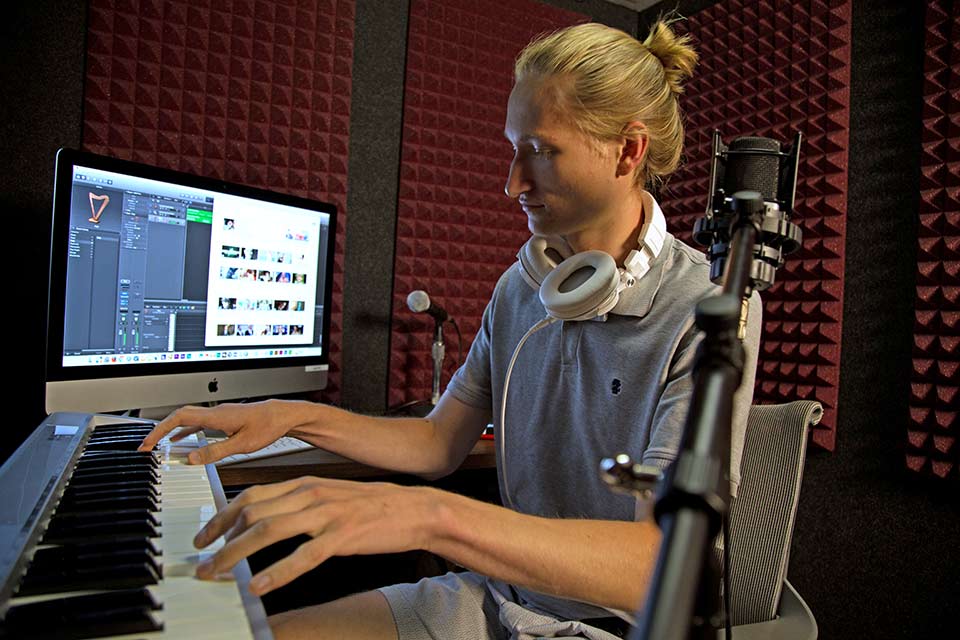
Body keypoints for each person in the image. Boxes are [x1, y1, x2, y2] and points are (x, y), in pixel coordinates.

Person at [139, 20, 760, 640]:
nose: (512, 182)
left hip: (617, 626)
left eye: (541, 152)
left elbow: (659, 565)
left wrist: (433, 518)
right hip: (499, 598)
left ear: (628, 151)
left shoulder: (709, 305)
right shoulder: (521, 289)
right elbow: (438, 442)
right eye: (514, 149)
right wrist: (293, 418)